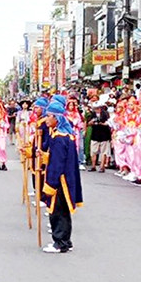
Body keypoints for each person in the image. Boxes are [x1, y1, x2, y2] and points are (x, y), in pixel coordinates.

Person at [41, 99, 83, 253]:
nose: (46, 119)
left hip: (60, 180)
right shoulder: (65, 135)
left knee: (57, 211)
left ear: (56, 118)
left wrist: (50, 183)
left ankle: (60, 243)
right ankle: (65, 241)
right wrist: (44, 156)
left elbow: (57, 163)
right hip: (66, 176)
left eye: (49, 116)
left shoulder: (59, 137)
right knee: (63, 212)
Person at [87, 100, 112, 173]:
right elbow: (88, 123)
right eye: (95, 108)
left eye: (98, 108)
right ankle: (93, 166)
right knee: (93, 151)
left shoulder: (105, 114)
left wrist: (103, 123)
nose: (97, 110)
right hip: (95, 134)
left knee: (104, 151)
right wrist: (92, 122)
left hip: (104, 134)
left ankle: (102, 166)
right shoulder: (93, 114)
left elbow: (108, 123)